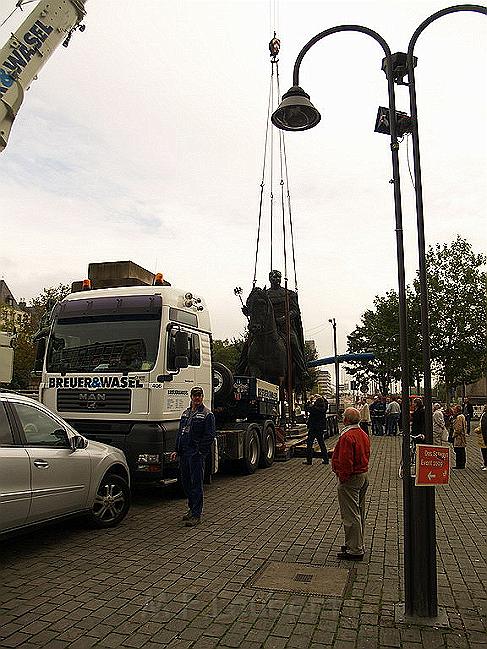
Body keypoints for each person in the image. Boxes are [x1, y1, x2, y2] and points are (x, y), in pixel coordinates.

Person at [171, 387, 216, 526]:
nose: (197, 398)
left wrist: (200, 452)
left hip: (195, 454)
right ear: (191, 397)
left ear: (202, 397)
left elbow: (209, 436)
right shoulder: (185, 413)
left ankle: (196, 515)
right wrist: (176, 450)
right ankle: (191, 509)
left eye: (199, 395)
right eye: (195, 395)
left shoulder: (207, 414)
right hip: (184, 453)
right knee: (186, 483)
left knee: (196, 484)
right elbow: (180, 433)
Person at [332, 407, 370, 561]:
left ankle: (355, 549)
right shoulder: (362, 434)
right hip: (362, 475)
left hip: (351, 478)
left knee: (350, 514)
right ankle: (356, 543)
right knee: (359, 511)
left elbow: (346, 460)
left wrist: (342, 477)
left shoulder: (347, 436)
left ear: (346, 419)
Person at [303, 396, 329, 465]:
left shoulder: (314, 409)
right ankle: (326, 459)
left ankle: (309, 460)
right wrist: (322, 397)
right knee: (322, 444)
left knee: (309, 444)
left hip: (313, 429)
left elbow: (305, 407)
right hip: (320, 429)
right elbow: (326, 403)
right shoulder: (324, 409)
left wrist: (309, 400)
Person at [452, 404, 467, 469]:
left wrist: (454, 435)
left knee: (459, 451)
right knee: (461, 450)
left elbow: (458, 428)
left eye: (454, 409)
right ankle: (461, 464)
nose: (453, 410)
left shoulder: (459, 417)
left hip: (459, 437)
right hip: (460, 436)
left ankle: (460, 464)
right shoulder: (461, 416)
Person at [474, 405, 487, 471]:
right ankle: (484, 463)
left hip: (484, 436)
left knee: (484, 451)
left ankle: (486, 464)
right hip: (483, 436)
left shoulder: (484, 415)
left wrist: (477, 430)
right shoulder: (484, 415)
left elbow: (483, 426)